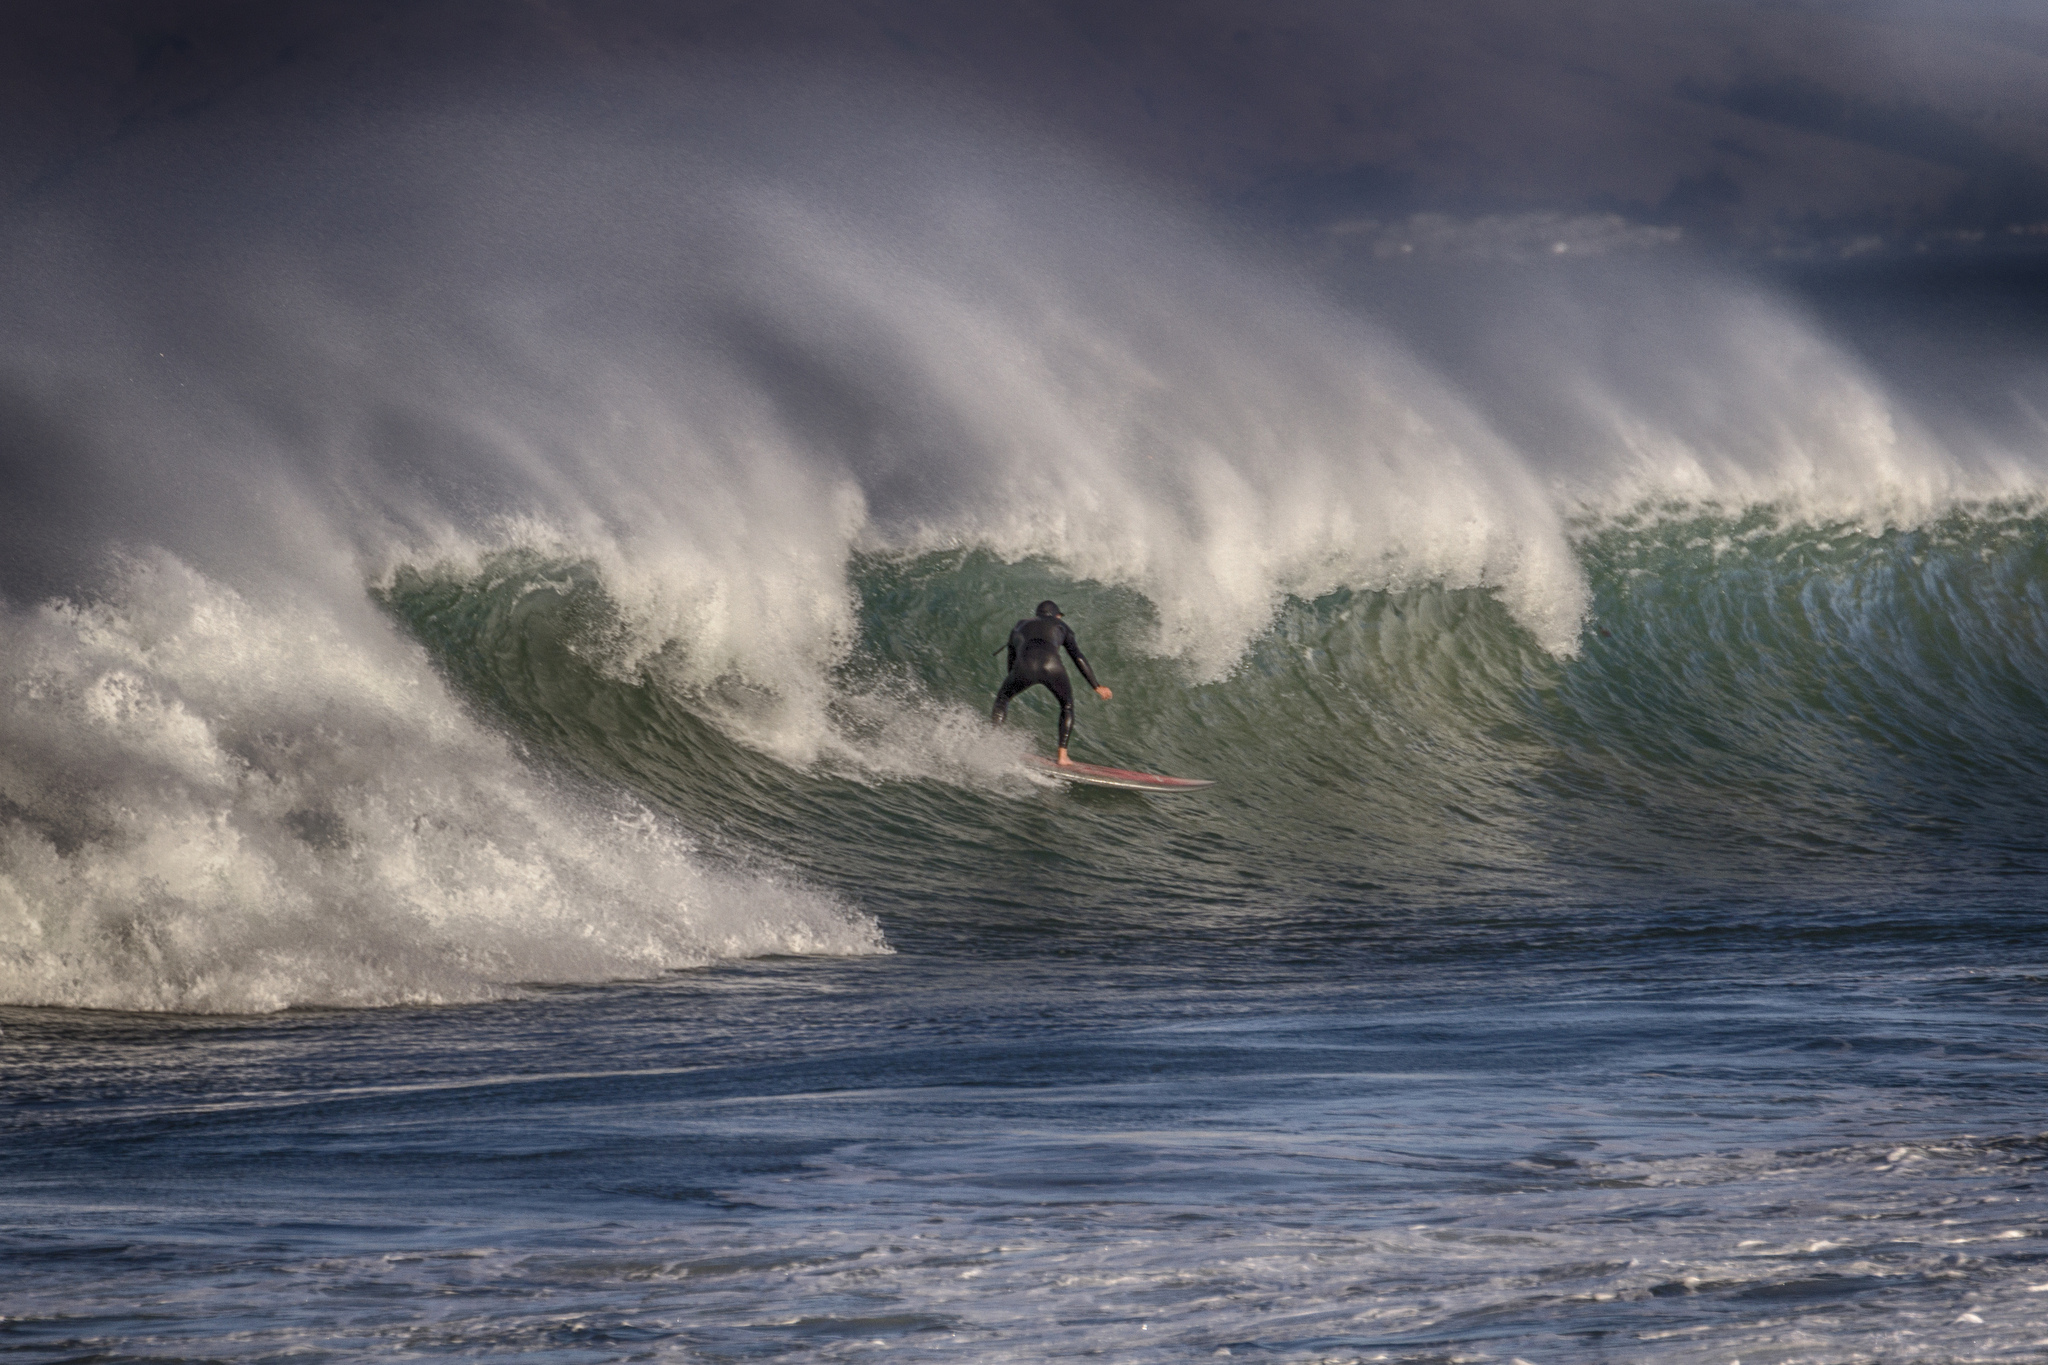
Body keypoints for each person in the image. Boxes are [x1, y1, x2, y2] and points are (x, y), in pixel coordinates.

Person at [991, 600, 1112, 766]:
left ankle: (994, 743)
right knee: (1067, 706)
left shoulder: (1020, 625)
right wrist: (1096, 685)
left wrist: (1013, 677)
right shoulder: (1061, 626)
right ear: (1057, 615)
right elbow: (1077, 656)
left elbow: (1011, 654)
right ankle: (1062, 757)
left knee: (1002, 700)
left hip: (1024, 666)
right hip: (1052, 666)